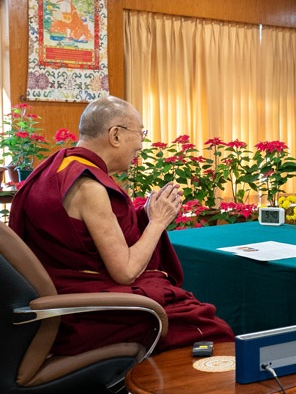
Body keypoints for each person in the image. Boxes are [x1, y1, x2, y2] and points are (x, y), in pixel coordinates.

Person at [8, 96, 234, 356]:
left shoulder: (59, 166)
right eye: (140, 133)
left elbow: (90, 237)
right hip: (88, 314)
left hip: (60, 296)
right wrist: (158, 222)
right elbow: (125, 272)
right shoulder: (88, 186)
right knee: (212, 329)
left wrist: (145, 214)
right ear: (115, 135)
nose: (140, 143)